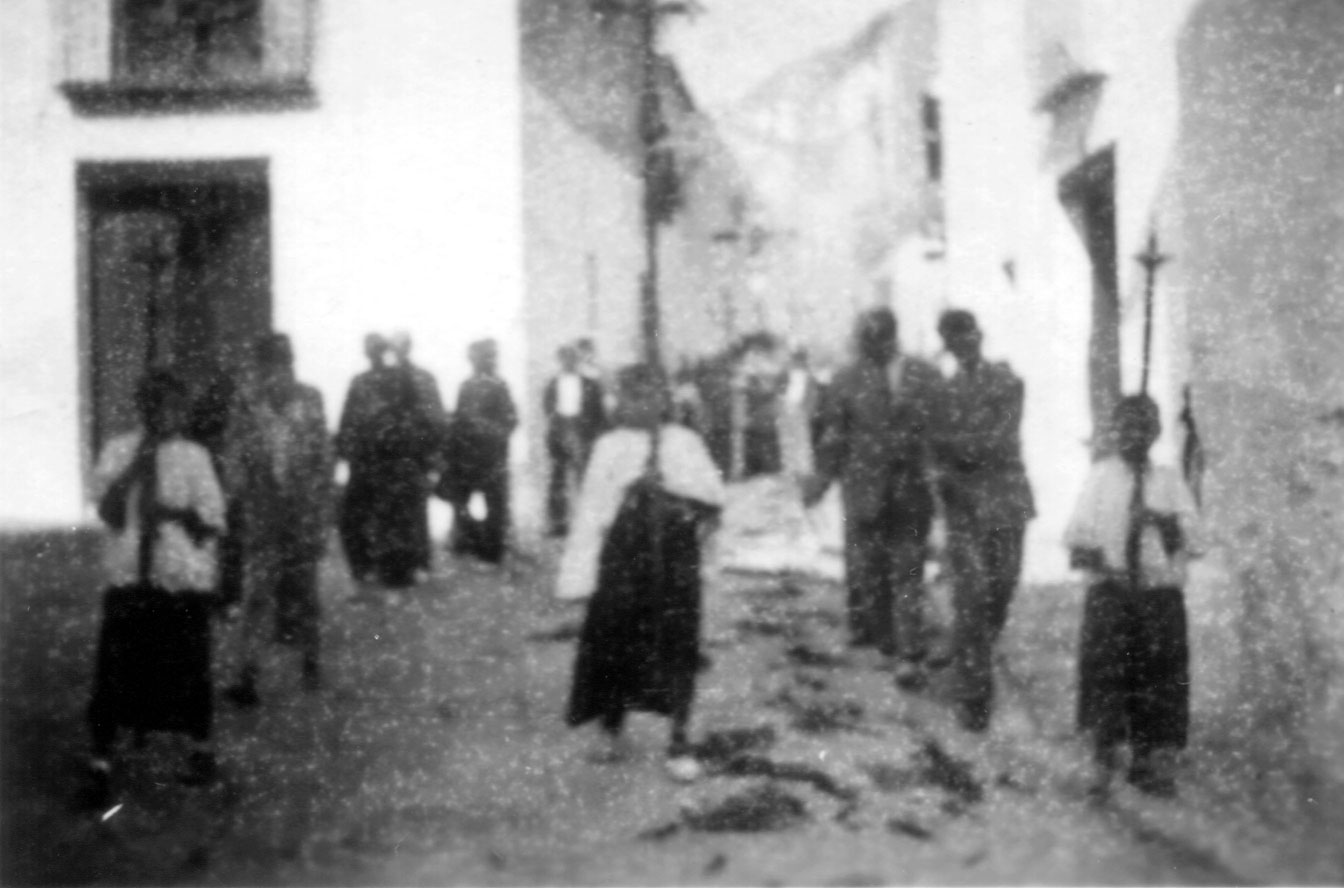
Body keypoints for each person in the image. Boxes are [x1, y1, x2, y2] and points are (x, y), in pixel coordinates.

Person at [558, 364, 725, 782]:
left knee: (678, 641)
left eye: (650, 396)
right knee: (615, 637)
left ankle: (679, 740)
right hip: (624, 556)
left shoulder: (685, 442)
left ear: (664, 400)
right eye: (630, 396)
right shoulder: (608, 446)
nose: (640, 405)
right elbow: (591, 509)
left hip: (674, 554)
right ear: (618, 402)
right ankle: (611, 727)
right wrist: (580, 573)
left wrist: (682, 503)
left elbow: (713, 499)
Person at [79, 370, 227, 809]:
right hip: (130, 575)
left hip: (178, 575)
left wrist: (175, 514)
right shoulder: (119, 449)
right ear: (143, 407)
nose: (167, 414)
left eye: (175, 406)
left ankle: (200, 750)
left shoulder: (194, 456)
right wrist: (136, 466)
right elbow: (107, 510)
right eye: (157, 404)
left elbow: (213, 518)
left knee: (188, 665)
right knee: (115, 668)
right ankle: (100, 761)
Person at [1064, 394, 1202, 798]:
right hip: (1112, 593)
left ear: (1155, 433)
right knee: (1107, 675)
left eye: (1142, 428)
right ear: (1114, 431)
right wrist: (1108, 566)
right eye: (1125, 428)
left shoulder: (1169, 481)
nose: (1133, 436)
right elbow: (1076, 542)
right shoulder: (1101, 478)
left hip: (1158, 595)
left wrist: (1159, 519)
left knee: (1158, 677)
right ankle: (1103, 761)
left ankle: (1151, 762)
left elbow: (1196, 540)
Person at [803, 307, 942, 689]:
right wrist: (820, 483)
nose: (869, 347)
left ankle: (908, 653)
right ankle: (885, 637)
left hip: (911, 490)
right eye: (864, 340)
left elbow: (940, 432)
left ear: (891, 337)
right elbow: (834, 437)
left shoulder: (925, 375)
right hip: (863, 491)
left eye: (875, 339)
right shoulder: (845, 380)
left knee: (908, 570)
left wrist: (943, 484)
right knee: (869, 571)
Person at [931, 309, 1036, 732]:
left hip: (1006, 501)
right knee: (972, 596)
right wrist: (952, 456)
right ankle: (974, 695)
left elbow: (1002, 439)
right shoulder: (943, 392)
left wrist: (955, 448)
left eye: (968, 335)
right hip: (963, 505)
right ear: (948, 346)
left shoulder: (1007, 382)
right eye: (953, 339)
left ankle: (969, 650)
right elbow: (935, 446)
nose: (963, 344)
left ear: (979, 335)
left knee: (1002, 588)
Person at [224, 333, 333, 707]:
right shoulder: (246, 402)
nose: (271, 376)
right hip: (263, 514)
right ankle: (247, 675)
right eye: (265, 369)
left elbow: (323, 458)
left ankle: (312, 665)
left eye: (278, 367)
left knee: (306, 593)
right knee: (256, 595)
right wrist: (240, 492)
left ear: (289, 366)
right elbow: (234, 455)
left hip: (302, 513)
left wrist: (319, 512)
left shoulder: (311, 399)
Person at [446, 339, 517, 564]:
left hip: (491, 456)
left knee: (495, 505)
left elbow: (511, 420)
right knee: (461, 501)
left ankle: (492, 551)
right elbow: (459, 419)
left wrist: (488, 430)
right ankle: (467, 541)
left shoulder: (499, 385)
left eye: (480, 357)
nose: (475, 361)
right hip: (467, 456)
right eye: (473, 357)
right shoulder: (466, 386)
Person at [387, 330, 449, 580]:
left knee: (415, 507)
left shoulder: (422, 378)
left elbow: (436, 418)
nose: (399, 351)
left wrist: (432, 452)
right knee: (400, 509)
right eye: (396, 346)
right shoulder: (387, 378)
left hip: (414, 454)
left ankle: (418, 561)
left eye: (402, 346)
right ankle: (406, 563)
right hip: (395, 453)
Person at [543, 343, 606, 537]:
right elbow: (547, 408)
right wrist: (560, 427)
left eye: (573, 358)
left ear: (577, 360)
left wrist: (588, 432)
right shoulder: (552, 384)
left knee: (585, 479)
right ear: (560, 360)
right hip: (559, 434)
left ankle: (589, 523)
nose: (569, 362)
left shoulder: (591, 384)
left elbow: (598, 413)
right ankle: (558, 524)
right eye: (565, 358)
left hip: (583, 435)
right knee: (558, 481)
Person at [777, 345, 820, 479]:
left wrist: (808, 411)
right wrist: (781, 407)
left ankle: (803, 469)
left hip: (801, 411)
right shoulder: (786, 373)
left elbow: (813, 396)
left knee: (802, 441)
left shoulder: (809, 377)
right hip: (786, 409)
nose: (797, 362)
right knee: (787, 440)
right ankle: (790, 469)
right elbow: (779, 391)